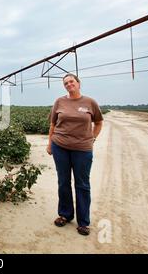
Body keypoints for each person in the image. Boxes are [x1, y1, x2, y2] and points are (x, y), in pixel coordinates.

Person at [46, 73, 103, 236]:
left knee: (82, 184)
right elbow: (52, 124)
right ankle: (65, 214)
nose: (68, 84)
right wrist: (50, 143)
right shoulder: (59, 102)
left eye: (71, 81)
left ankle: (83, 222)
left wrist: (92, 138)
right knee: (63, 181)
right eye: (65, 83)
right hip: (60, 146)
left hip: (83, 149)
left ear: (78, 83)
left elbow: (98, 123)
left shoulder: (90, 102)